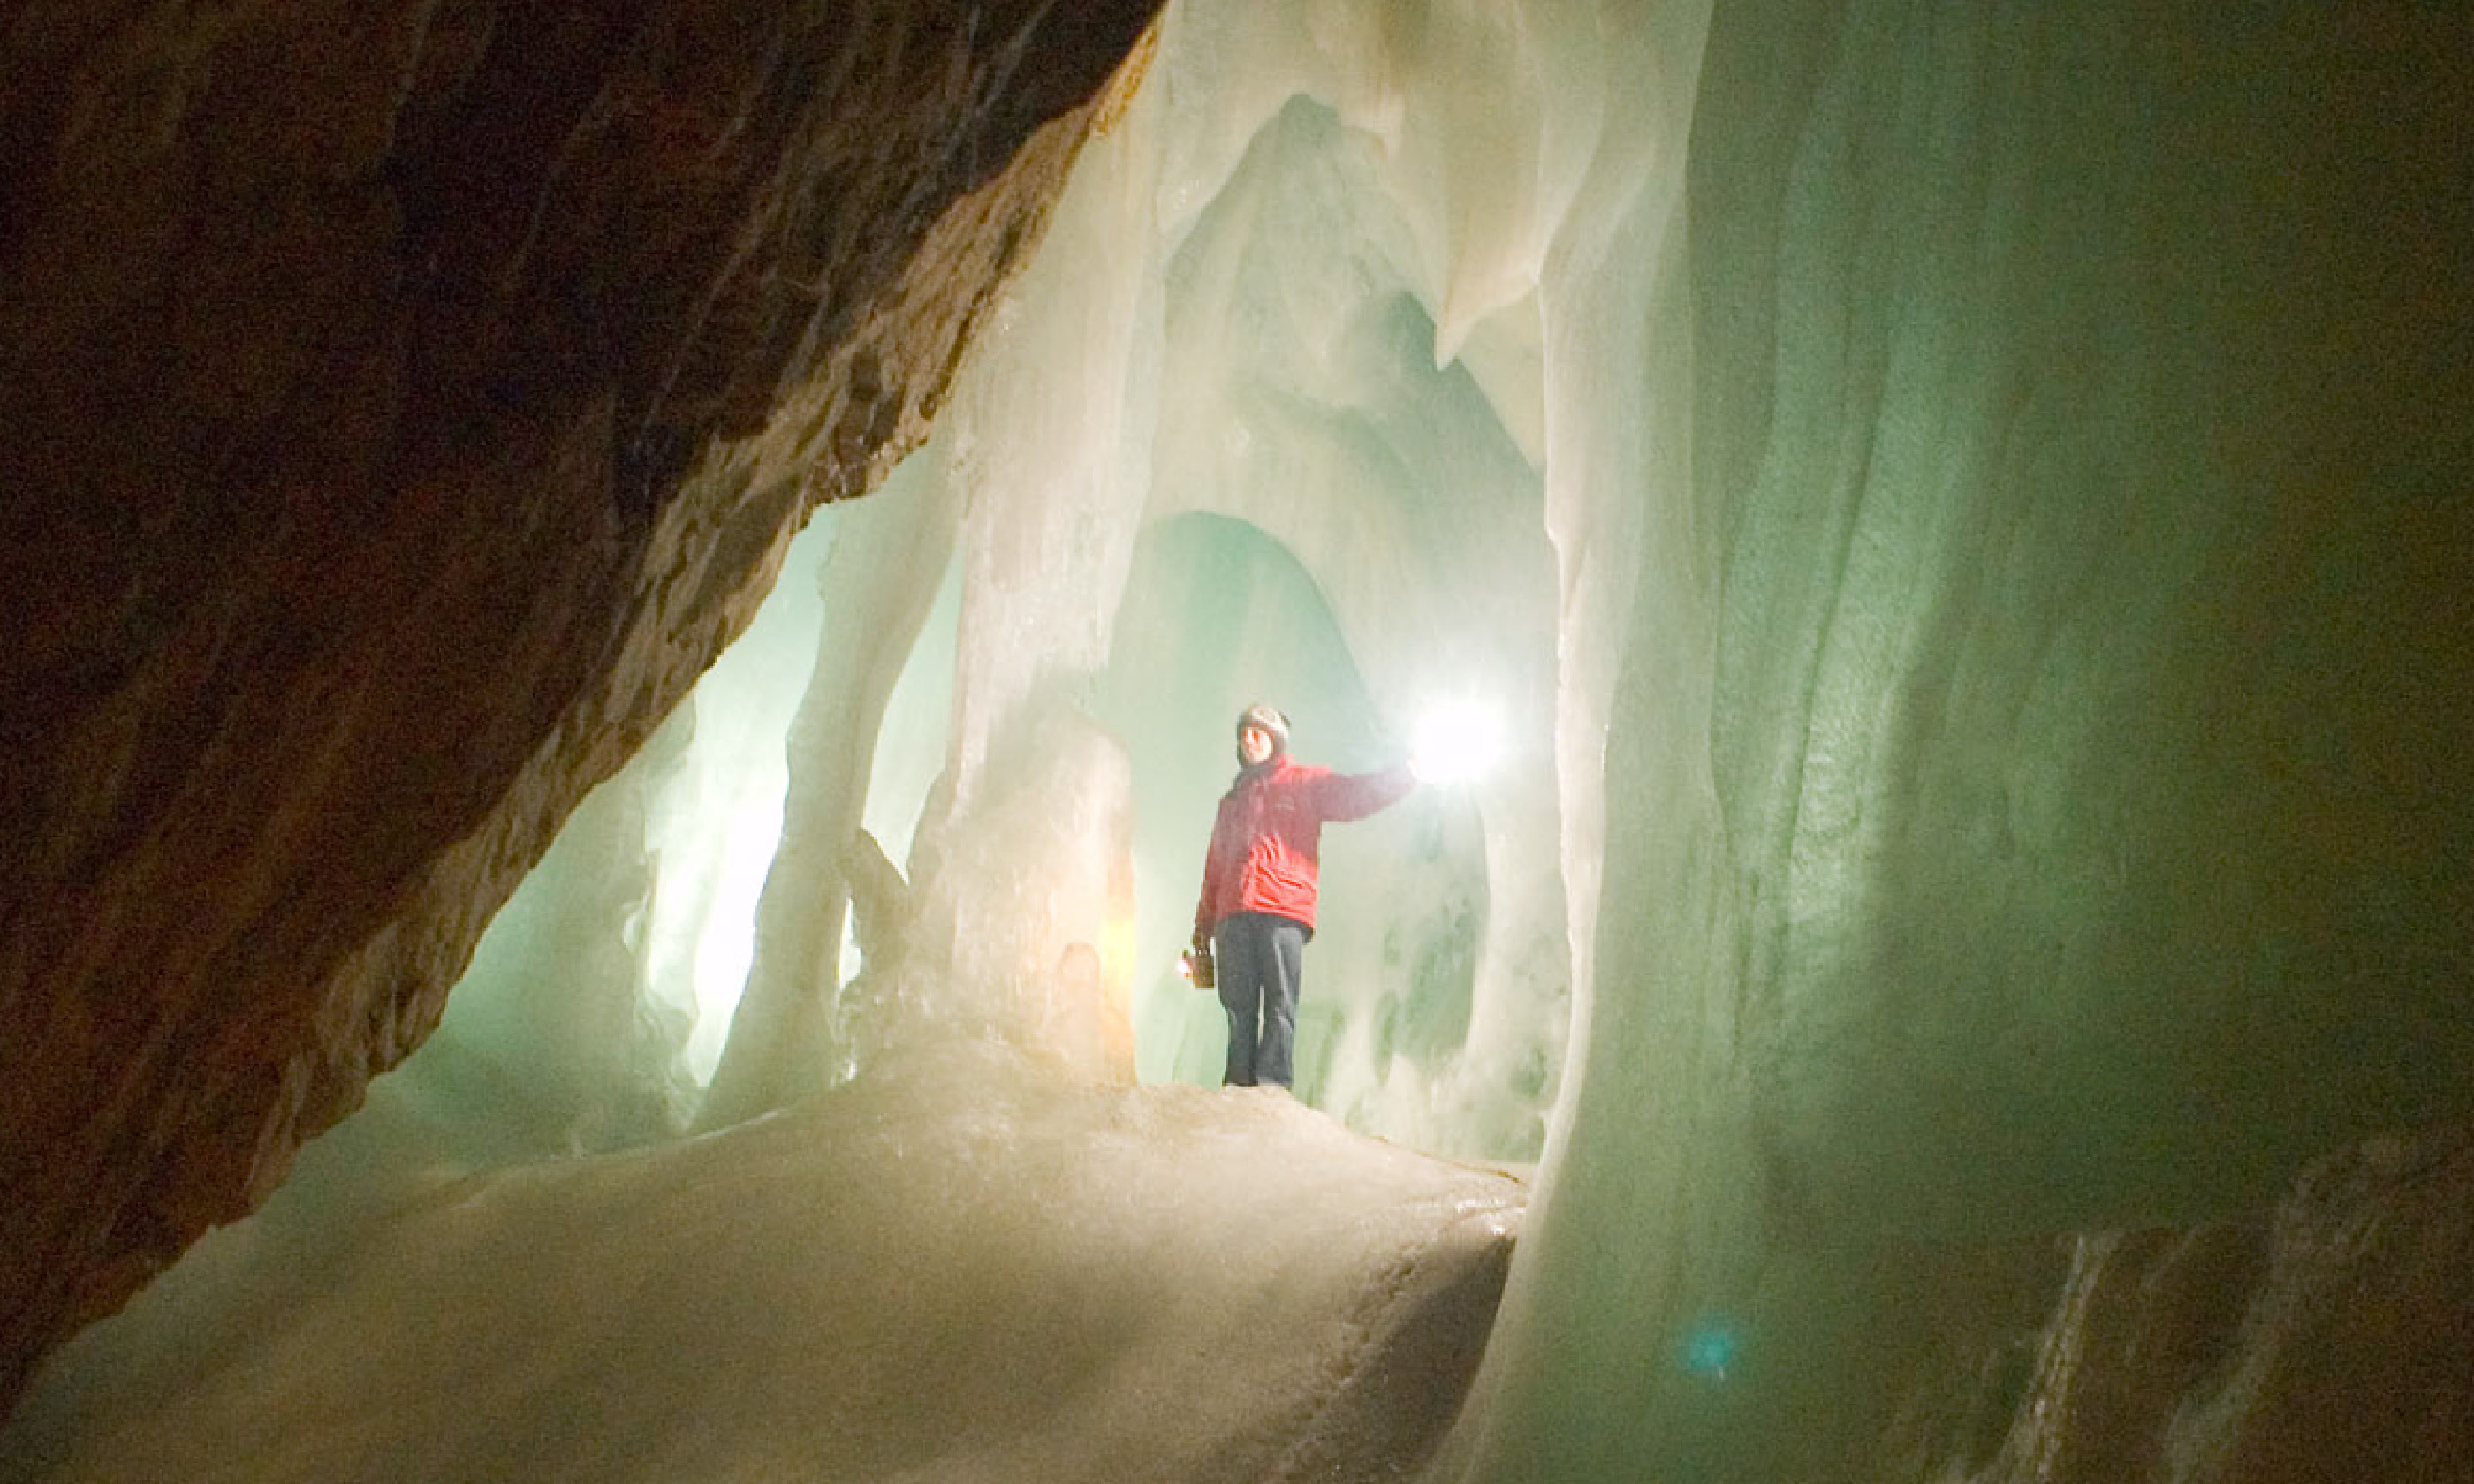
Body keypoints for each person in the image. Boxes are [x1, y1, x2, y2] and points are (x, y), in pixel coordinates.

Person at [1191, 703, 1415, 1089]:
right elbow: (1215, 867)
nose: (1249, 741)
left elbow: (1357, 795)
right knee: (1238, 1007)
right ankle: (1237, 1086)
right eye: (1244, 736)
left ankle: (1272, 1086)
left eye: (1258, 734)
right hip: (1233, 917)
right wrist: (1203, 928)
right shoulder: (1231, 803)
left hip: (1282, 910)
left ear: (1276, 740)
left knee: (1280, 1004)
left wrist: (1407, 775)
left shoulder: (1304, 783)